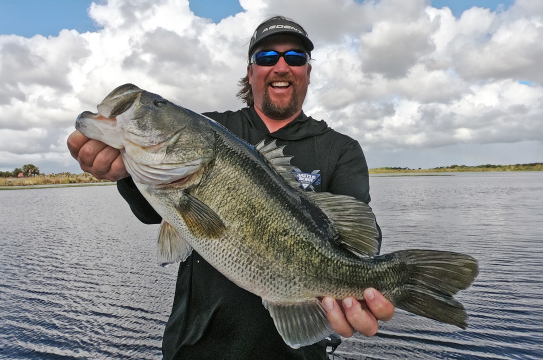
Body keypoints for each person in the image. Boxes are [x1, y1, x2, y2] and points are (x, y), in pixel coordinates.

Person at [68, 16, 394, 360]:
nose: (281, 66)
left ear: (308, 72)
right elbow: (152, 211)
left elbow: (358, 239)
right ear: (250, 72)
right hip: (197, 350)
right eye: (267, 57)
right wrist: (123, 171)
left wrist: (367, 284)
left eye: (295, 58)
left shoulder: (340, 149)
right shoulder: (215, 128)